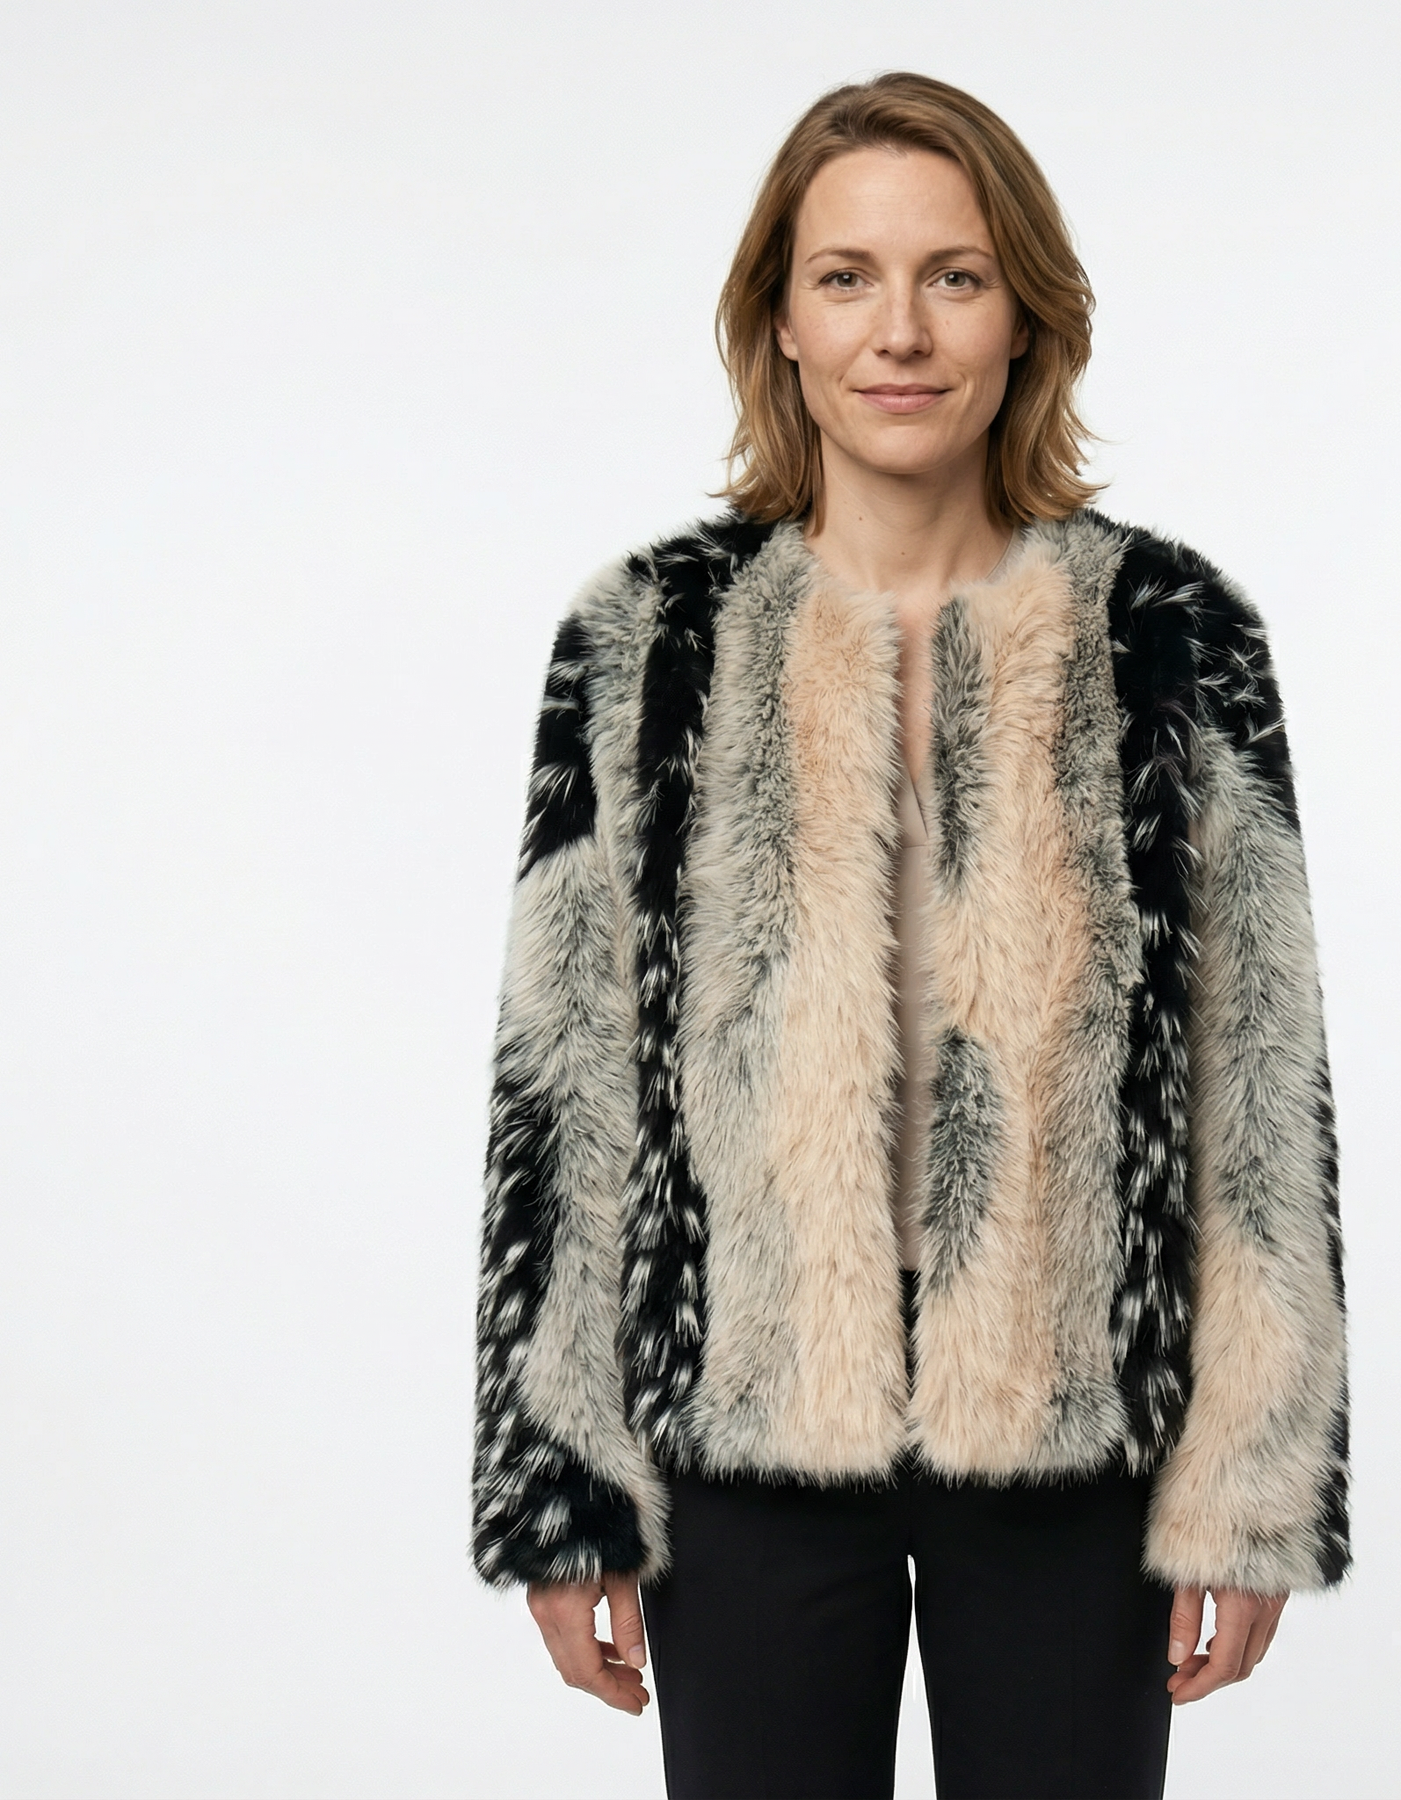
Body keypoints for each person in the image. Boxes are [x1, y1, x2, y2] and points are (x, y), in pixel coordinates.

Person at [472, 71, 1349, 1800]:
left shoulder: (1169, 635)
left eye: (955, 275)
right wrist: (558, 1479)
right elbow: (562, 1080)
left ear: (1027, 316)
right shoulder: (648, 643)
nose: (901, 331)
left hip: (1075, 1433)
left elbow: (1259, 1079)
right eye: (846, 277)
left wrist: (1254, 1475)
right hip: (744, 1429)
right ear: (780, 324)